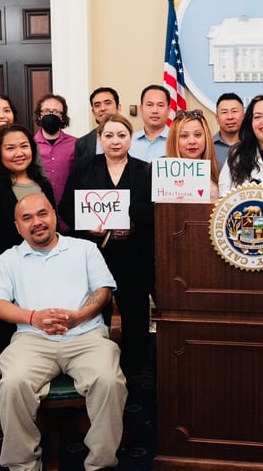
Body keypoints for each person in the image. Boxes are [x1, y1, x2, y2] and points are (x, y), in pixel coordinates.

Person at [0, 194, 126, 471]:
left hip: (86, 336)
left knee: (108, 380)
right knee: (12, 384)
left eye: (42, 214)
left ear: (54, 215)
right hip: (32, 340)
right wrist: (33, 318)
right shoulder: (8, 260)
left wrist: (79, 316)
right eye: (27, 218)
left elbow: (104, 291)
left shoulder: (84, 249)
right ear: (18, 227)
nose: (37, 222)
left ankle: (100, 464)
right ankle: (24, 465)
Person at [60, 114, 154, 374]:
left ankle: (134, 366)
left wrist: (134, 224)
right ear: (100, 139)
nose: (115, 141)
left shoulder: (145, 170)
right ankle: (93, 364)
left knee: (134, 310)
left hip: (133, 255)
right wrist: (86, 225)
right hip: (94, 252)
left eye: (121, 135)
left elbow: (154, 211)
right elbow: (66, 207)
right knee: (94, 309)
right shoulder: (83, 167)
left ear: (130, 139)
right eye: (109, 135)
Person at [0, 123, 55, 306]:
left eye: (24, 146)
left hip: (46, 269)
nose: (19, 153)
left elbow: (52, 223)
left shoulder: (43, 183)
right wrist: (23, 267)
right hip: (6, 274)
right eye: (10, 148)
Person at [33, 94, 76, 233]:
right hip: (38, 219)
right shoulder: (28, 145)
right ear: (39, 115)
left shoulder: (76, 144)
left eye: (56, 112)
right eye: (46, 111)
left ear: (62, 117)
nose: (51, 115)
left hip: (70, 218)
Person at [165, 109, 220, 200]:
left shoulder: (220, 175)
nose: (192, 141)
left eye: (197, 135)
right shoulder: (160, 175)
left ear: (206, 137)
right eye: (184, 136)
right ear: (174, 140)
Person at [76, 86, 121, 162]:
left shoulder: (132, 139)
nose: (102, 108)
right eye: (97, 105)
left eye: (107, 103)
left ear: (118, 108)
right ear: (93, 112)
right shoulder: (82, 143)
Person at [129, 84, 170, 161]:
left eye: (160, 105)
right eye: (149, 105)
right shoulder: (128, 141)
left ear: (168, 110)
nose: (155, 111)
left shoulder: (178, 140)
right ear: (141, 108)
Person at [212, 92, 244, 168]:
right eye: (224, 112)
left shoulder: (254, 144)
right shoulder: (207, 146)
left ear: (244, 116)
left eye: (234, 111)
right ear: (217, 118)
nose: (230, 117)